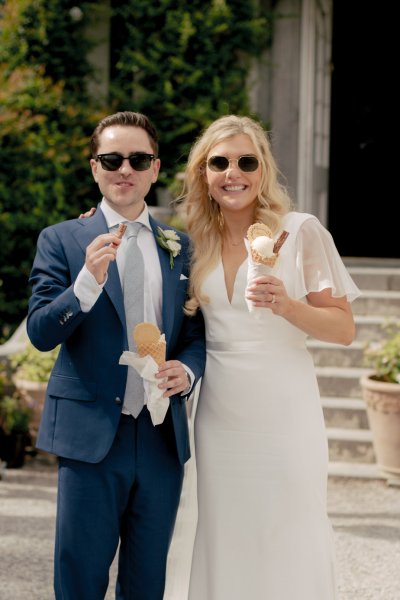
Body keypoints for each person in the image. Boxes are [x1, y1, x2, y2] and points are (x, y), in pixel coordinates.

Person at [165, 114, 360, 599]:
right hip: (219, 414)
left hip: (284, 411)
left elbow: (343, 328)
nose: (234, 172)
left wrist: (288, 306)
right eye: (220, 162)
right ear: (203, 176)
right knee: (225, 532)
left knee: (288, 528)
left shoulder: (298, 232)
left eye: (246, 161)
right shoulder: (195, 245)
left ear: (263, 170)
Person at [26, 111, 206, 600]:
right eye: (112, 158)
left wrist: (187, 371)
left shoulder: (182, 248)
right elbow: (41, 333)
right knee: (80, 577)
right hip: (90, 437)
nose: (124, 169)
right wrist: (86, 283)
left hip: (159, 438)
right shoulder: (61, 240)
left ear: (154, 168)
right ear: (94, 168)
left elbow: (194, 333)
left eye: (138, 158)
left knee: (147, 583)